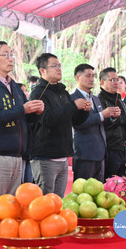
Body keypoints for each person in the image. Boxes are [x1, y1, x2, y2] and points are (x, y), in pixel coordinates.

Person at [0, 41, 44, 211]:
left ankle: (6, 237)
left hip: (17, 154)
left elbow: (23, 117)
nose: (11, 59)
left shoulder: (14, 86)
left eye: (11, 54)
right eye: (6, 54)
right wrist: (22, 109)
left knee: (12, 205)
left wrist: (35, 113)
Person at [29, 54, 89, 196]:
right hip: (45, 155)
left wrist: (84, 111)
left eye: (59, 65)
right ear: (42, 70)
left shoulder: (62, 91)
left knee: (58, 201)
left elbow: (74, 121)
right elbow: (47, 119)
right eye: (54, 66)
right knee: (45, 200)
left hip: (62, 153)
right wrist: (73, 106)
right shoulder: (38, 93)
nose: (59, 69)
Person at [70, 64, 114, 182]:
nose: (92, 79)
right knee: (82, 193)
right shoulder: (73, 99)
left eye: (93, 76)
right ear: (77, 78)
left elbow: (101, 124)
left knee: (98, 193)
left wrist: (111, 117)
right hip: (85, 153)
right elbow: (78, 124)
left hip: (100, 153)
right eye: (88, 76)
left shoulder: (95, 99)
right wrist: (101, 115)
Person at [97, 67, 126, 178]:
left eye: (118, 80)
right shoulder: (99, 99)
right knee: (110, 182)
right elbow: (103, 122)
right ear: (102, 82)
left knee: (122, 182)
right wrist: (125, 118)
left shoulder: (119, 99)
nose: (116, 83)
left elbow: (124, 119)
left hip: (123, 147)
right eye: (112, 80)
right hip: (110, 148)